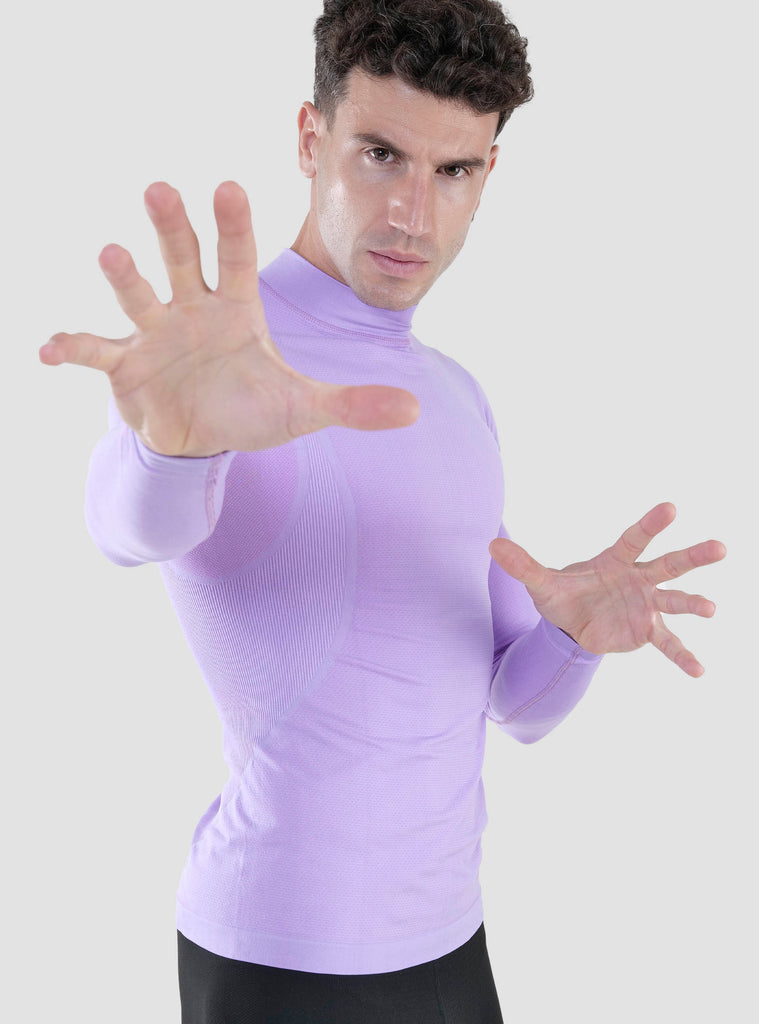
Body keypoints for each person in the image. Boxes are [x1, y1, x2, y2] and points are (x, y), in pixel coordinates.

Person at [38, 1, 726, 1021]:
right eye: (380, 155)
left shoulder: (453, 394)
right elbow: (128, 531)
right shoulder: (222, 361)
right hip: (283, 959)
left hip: (450, 941)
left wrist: (572, 638)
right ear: (309, 138)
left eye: (453, 171)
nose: (413, 214)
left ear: (489, 173)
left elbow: (512, 705)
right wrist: (168, 445)